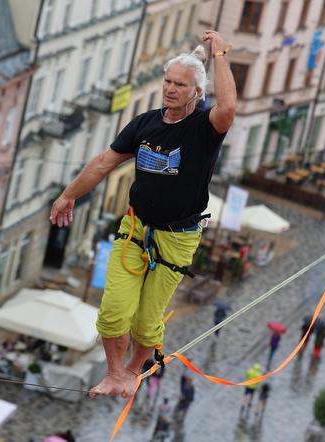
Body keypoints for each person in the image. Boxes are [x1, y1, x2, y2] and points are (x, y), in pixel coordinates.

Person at [50, 30, 236, 399]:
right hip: (135, 228)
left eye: (180, 85)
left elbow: (228, 107)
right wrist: (68, 195)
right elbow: (104, 163)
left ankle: (133, 370)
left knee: (148, 322)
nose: (170, 88)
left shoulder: (204, 127)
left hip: (178, 236)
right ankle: (115, 372)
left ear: (196, 93)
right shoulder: (145, 124)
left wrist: (220, 53)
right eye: (167, 81)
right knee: (113, 312)